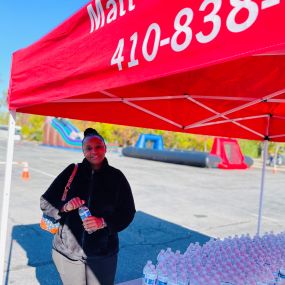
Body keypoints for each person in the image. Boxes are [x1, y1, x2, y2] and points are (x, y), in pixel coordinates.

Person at [40, 127, 136, 285]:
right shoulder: (72, 171)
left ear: (105, 148)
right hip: (68, 252)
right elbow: (45, 202)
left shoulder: (116, 177)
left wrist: (103, 222)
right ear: (83, 151)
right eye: (88, 148)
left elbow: (127, 212)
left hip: (103, 254)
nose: (94, 151)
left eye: (98, 146)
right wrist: (65, 207)